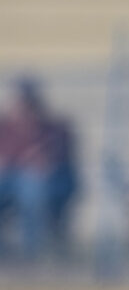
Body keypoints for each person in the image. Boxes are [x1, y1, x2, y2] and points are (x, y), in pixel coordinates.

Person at [0, 77, 77, 260]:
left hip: (46, 183)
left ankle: (31, 253)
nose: (23, 106)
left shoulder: (53, 127)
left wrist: (37, 160)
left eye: (28, 101)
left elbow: (52, 161)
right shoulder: (5, 127)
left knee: (31, 191)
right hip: (7, 180)